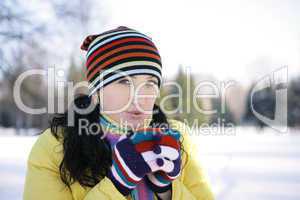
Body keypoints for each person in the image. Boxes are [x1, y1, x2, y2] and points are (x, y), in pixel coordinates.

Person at [23, 26, 215, 200]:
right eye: (124, 82)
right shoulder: (54, 147)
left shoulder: (176, 137)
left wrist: (167, 191)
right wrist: (117, 184)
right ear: (96, 92)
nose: (139, 97)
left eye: (150, 83)